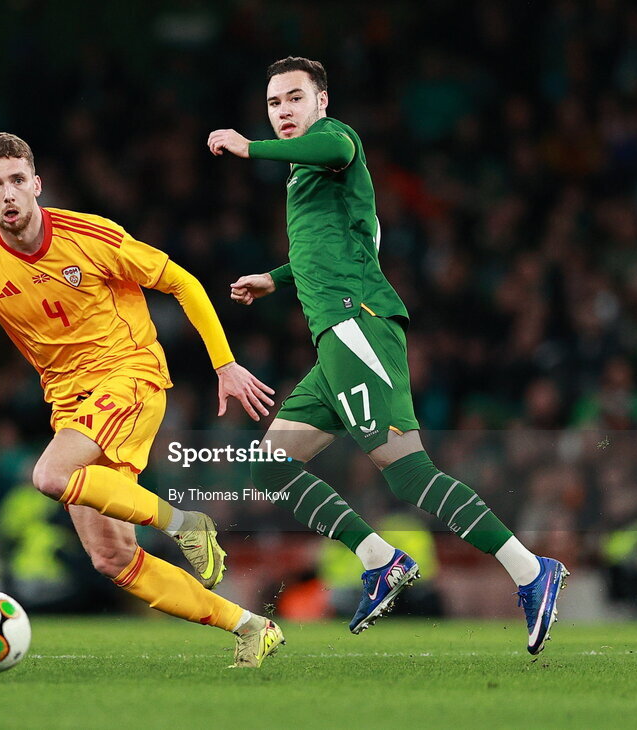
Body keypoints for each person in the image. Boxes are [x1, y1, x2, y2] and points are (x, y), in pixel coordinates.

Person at [208, 57, 567, 654]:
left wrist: (250, 147)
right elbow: (337, 248)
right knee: (269, 466)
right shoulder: (305, 176)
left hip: (357, 326)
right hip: (333, 341)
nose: (284, 112)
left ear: (323, 101)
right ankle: (378, 560)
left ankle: (531, 572)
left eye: (295, 99)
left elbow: (331, 151)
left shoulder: (336, 140)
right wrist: (277, 278)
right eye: (274, 104)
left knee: (406, 471)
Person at [0, 132, 283, 667]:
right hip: (71, 405)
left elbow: (183, 282)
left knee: (49, 476)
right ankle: (249, 625)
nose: (8, 194)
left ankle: (186, 524)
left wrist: (224, 363)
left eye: (17, 181)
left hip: (129, 375)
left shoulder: (88, 236)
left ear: (37, 185)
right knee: (112, 558)